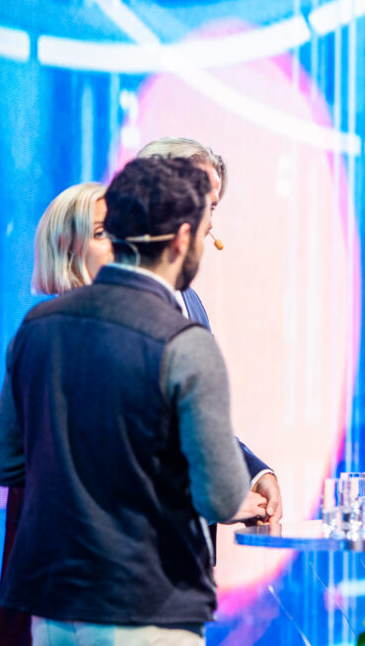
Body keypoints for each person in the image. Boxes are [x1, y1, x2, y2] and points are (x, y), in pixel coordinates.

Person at [0, 156, 249, 643]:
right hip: (146, 605)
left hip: (52, 607)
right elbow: (219, 495)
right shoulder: (185, 340)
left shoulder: (36, 328)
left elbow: (9, 466)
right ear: (180, 239)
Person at [136, 137, 283, 525]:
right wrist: (211, 497)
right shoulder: (106, 309)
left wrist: (255, 472)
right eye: (199, 203)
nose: (209, 225)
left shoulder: (193, 302)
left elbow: (199, 425)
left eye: (212, 207)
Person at [0, 182, 112, 646]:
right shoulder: (68, 332)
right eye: (104, 233)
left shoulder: (34, 329)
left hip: (41, 567)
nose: (121, 245)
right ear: (68, 248)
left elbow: (9, 463)